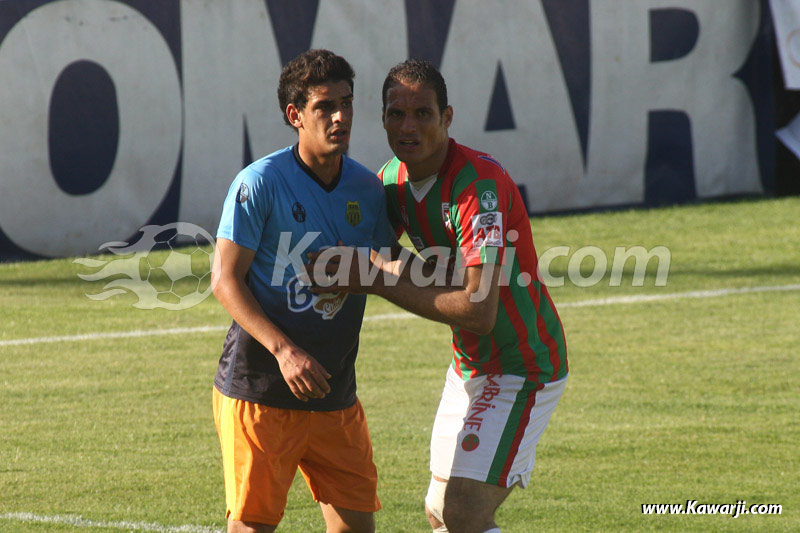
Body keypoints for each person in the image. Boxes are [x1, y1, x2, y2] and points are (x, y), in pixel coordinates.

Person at [308, 59, 569, 533]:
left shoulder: (477, 187)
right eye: (396, 114)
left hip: (522, 367)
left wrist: (372, 276)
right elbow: (386, 258)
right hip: (469, 367)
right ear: (383, 118)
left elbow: (479, 309)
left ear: (447, 118)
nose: (408, 126)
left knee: (464, 511)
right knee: (439, 511)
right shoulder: (391, 181)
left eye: (423, 114)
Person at [210, 49, 395, 533]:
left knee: (357, 527)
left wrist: (460, 280)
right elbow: (224, 280)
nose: (340, 117)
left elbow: (389, 265)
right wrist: (285, 352)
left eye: (347, 103)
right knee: (253, 526)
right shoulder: (260, 183)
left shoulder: (367, 190)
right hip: (262, 391)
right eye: (325, 106)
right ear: (295, 115)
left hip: (334, 394)